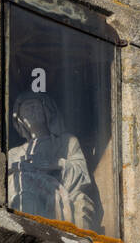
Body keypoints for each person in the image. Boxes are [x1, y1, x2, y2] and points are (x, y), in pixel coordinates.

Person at [7, 93, 102, 232]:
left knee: (79, 201)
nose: (32, 112)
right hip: (28, 197)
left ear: (46, 111)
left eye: (35, 107)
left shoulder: (66, 142)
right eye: (26, 109)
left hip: (59, 194)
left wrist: (54, 164)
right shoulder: (14, 153)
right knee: (24, 198)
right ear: (20, 120)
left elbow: (82, 175)